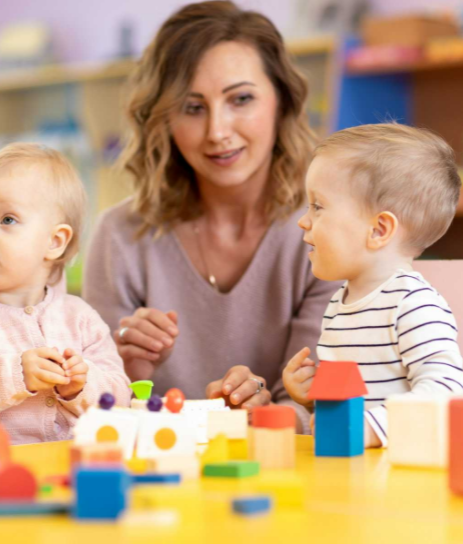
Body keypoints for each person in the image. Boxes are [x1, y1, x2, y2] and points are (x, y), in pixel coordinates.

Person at [83, 1, 338, 432]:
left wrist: (263, 414)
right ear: (163, 119)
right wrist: (130, 369)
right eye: (192, 106)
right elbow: (97, 409)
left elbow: (319, 405)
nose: (218, 131)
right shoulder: (119, 236)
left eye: (241, 99)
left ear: (282, 100)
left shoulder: (328, 233)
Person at [0, 143, 131, 444]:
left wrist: (81, 386)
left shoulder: (81, 318)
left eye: (7, 220)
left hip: (75, 467)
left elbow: (121, 396)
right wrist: (12, 376)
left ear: (55, 242)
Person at [283, 123, 463, 448]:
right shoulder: (340, 304)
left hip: (397, 478)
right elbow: (354, 403)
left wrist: (371, 427)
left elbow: (446, 392)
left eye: (318, 206)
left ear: (379, 229)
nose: (303, 220)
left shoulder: (414, 304)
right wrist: (312, 399)